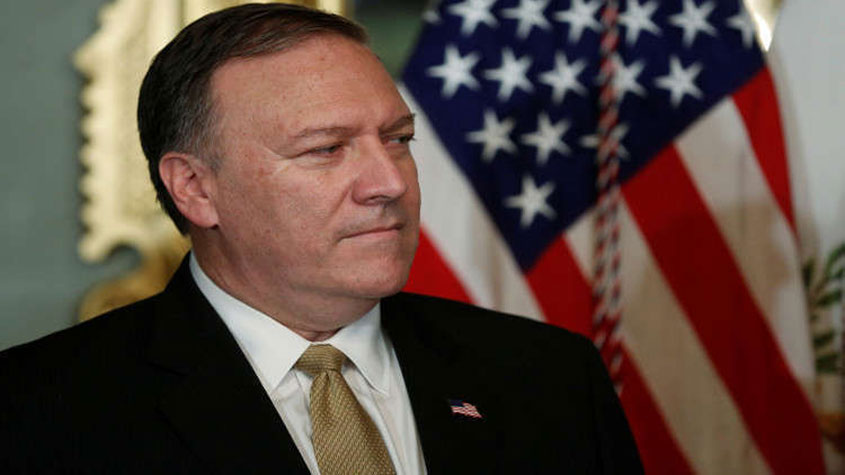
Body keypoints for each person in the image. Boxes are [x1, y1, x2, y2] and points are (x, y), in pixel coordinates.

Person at [0, 3, 642, 474]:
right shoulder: (36, 412)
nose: (390, 181)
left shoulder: (550, 379)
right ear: (195, 188)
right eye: (327, 149)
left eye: (398, 139)